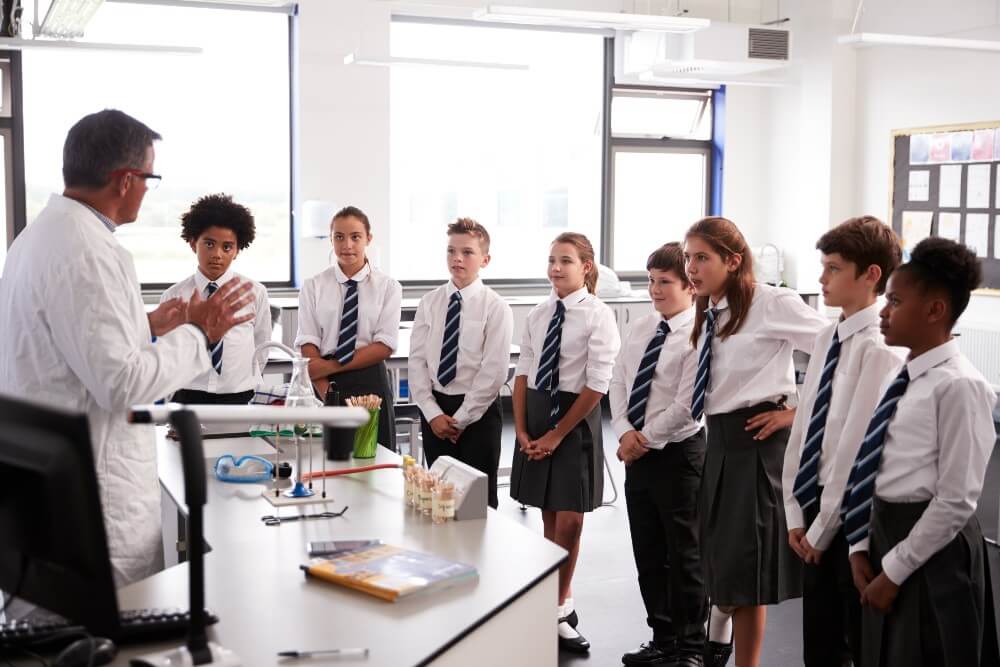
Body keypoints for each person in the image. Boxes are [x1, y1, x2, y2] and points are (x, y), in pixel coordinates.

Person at [0, 109, 254, 586]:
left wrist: (148, 323)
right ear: (125, 180)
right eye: (149, 177)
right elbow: (122, 383)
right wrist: (201, 334)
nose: (145, 189)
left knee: (57, 635)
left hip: (47, 481)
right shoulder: (90, 251)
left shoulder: (38, 237)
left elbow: (70, 339)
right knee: (110, 637)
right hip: (97, 492)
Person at [844, 237, 996, 667]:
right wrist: (859, 544)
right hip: (886, 532)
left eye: (894, 300)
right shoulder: (904, 374)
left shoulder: (960, 386)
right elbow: (874, 463)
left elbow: (956, 499)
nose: (884, 312)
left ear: (935, 311)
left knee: (931, 650)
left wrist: (894, 570)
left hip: (932, 546)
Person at [683, 217, 827, 667]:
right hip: (719, 443)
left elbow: (837, 349)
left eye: (702, 257)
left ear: (733, 259)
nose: (691, 267)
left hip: (757, 443)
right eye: (688, 256)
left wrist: (794, 412)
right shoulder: (708, 307)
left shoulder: (770, 303)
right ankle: (719, 626)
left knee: (748, 573)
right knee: (721, 561)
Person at [780, 216, 904, 667]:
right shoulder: (828, 335)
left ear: (871, 275)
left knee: (848, 640)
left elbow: (855, 450)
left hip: (849, 519)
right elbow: (806, 422)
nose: (821, 278)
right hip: (813, 509)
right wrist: (795, 508)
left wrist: (823, 528)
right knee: (819, 636)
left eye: (833, 268)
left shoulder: (881, 347)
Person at [509, 232, 621, 654]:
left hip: (574, 419)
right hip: (536, 412)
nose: (556, 268)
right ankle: (556, 603)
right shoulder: (539, 313)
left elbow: (597, 384)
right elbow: (523, 372)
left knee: (571, 520)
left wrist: (557, 435)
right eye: (552, 260)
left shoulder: (598, 315)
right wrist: (521, 429)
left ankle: (557, 606)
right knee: (549, 516)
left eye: (566, 261)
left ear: (586, 267)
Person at [610, 242, 707, 667]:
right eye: (650, 281)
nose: (654, 290)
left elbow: (688, 406)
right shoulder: (642, 327)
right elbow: (618, 381)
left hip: (678, 454)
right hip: (638, 453)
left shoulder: (701, 333)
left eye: (664, 282)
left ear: (690, 286)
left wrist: (641, 438)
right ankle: (663, 639)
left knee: (683, 555)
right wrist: (625, 432)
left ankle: (691, 649)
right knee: (647, 553)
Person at [408, 218, 513, 508]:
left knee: (478, 505)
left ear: (485, 259)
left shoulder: (496, 307)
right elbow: (417, 363)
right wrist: (433, 415)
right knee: (441, 499)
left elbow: (494, 372)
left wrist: (461, 419)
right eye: (451, 251)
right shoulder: (429, 302)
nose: (457, 258)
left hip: (477, 415)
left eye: (467, 252)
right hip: (436, 413)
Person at [295, 205, 402, 450]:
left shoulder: (388, 286)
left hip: (369, 379)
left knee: (376, 457)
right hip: (325, 381)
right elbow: (308, 343)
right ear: (331, 240)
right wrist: (327, 393)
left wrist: (332, 365)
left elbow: (384, 346)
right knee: (333, 462)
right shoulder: (314, 286)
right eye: (339, 237)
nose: (347, 245)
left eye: (355, 237)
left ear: (368, 239)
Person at [161, 193, 271, 405]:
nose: (217, 254)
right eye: (209, 244)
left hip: (241, 396)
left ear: (237, 250)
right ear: (193, 243)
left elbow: (261, 346)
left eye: (227, 247)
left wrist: (243, 381)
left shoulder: (255, 292)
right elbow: (168, 354)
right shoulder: (173, 296)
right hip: (188, 395)